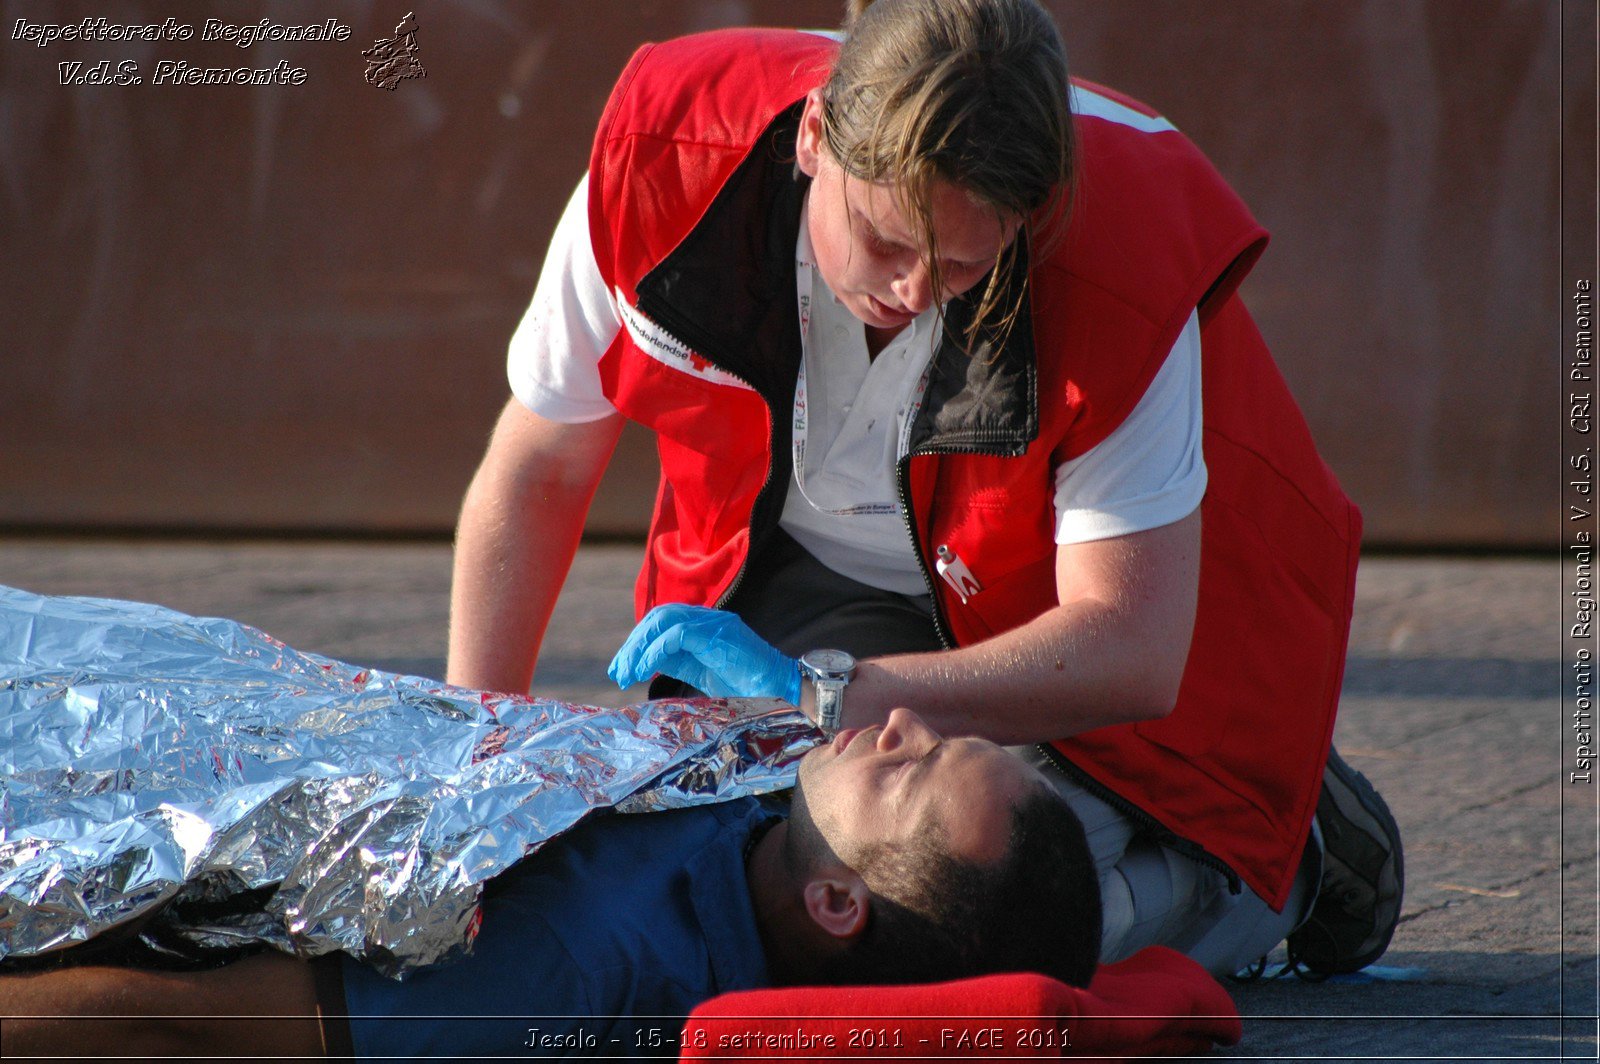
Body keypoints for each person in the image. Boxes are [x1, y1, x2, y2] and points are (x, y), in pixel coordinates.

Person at [446, 0, 1402, 979]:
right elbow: (541, 464)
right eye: (884, 240)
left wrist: (826, 696)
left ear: (1031, 215)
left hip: (1105, 646)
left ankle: (1282, 857)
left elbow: (1132, 647)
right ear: (814, 136)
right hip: (801, 593)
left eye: (958, 265)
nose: (908, 292)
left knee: (961, 928)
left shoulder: (1121, 246)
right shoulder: (664, 156)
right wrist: (467, 761)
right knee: (724, 867)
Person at [0, 709, 1102, 1059]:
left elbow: (178, 1024)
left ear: (836, 904)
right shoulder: (756, 806)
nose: (901, 718)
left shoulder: (573, 963)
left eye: (910, 766)